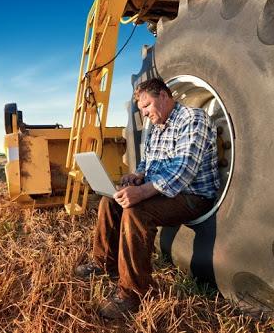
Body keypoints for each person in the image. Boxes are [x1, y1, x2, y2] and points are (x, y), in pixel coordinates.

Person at [74, 77, 220, 319]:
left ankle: (132, 293)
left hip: (192, 194)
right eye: (140, 109)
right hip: (163, 192)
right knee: (110, 201)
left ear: (164, 96)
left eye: (147, 106)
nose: (144, 114)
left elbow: (184, 170)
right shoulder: (156, 126)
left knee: (136, 211)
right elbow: (148, 160)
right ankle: (103, 265)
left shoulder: (193, 119)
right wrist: (138, 175)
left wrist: (141, 192)